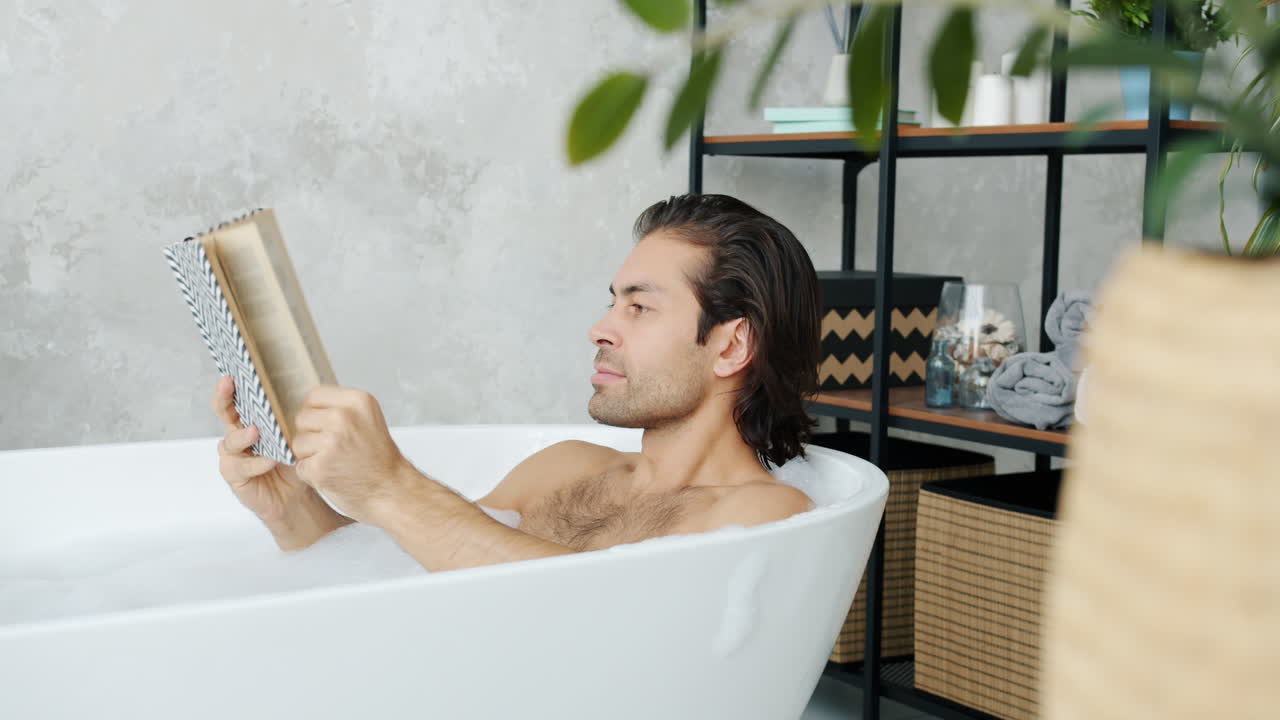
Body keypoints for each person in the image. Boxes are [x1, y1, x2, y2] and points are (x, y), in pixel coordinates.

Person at [211, 193, 823, 571]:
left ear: (730, 345)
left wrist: (391, 484)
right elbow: (418, 562)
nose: (600, 329)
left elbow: (602, 618)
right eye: (612, 302)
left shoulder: (766, 513)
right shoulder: (564, 468)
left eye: (639, 307)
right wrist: (292, 510)